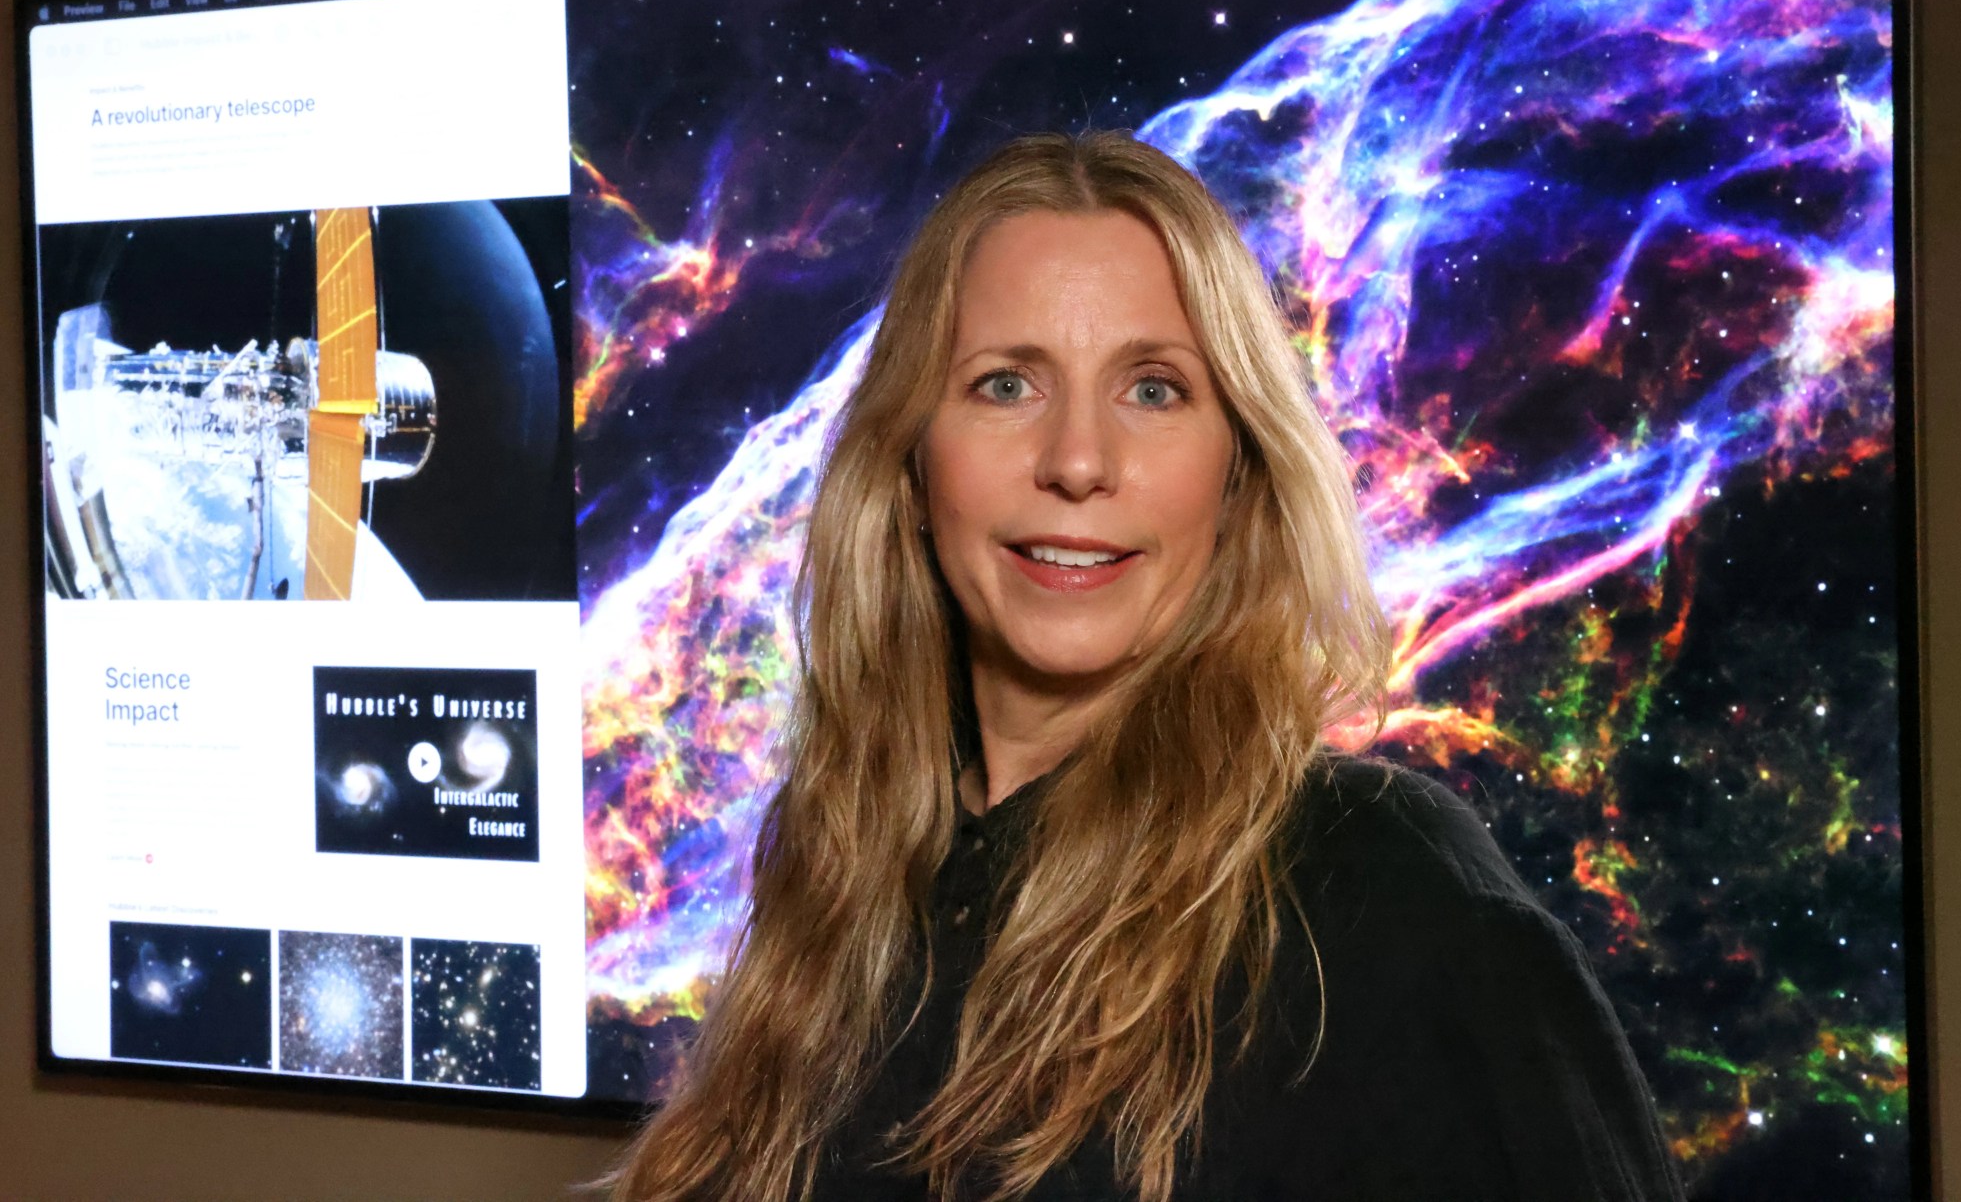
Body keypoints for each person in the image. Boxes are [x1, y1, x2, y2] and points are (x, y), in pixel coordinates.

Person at [611, 132, 1684, 1202]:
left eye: (1154, 389)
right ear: (910, 454)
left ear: (1236, 467)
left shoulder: (1376, 894)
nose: (1077, 461)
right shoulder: (841, 859)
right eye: (1003, 384)